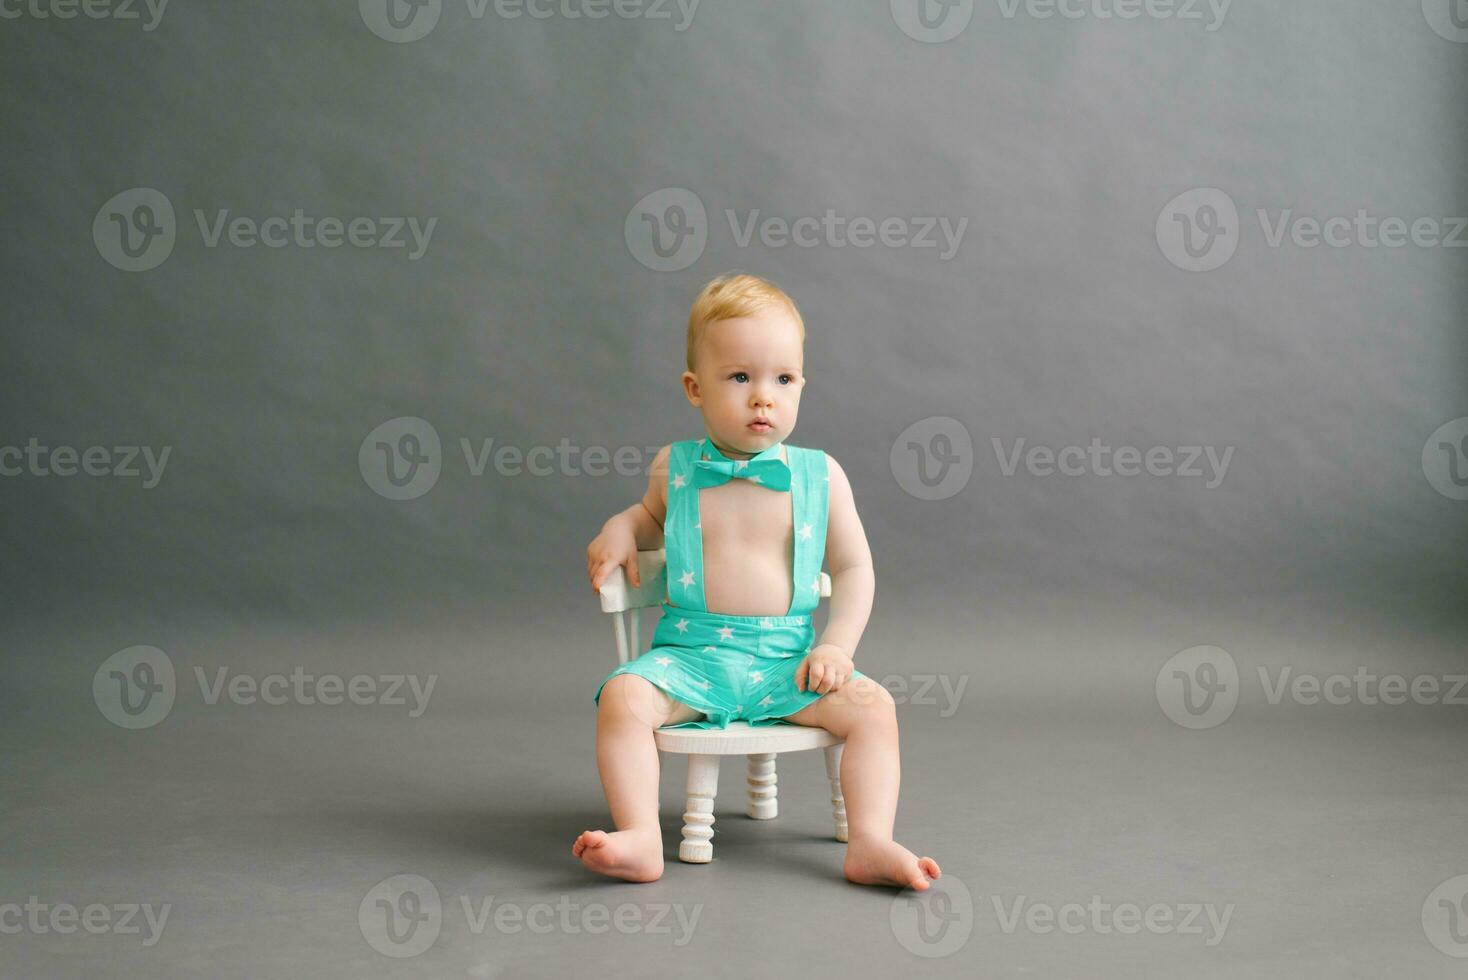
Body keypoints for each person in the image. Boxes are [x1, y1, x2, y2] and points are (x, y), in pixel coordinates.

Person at [575, 272, 941, 889]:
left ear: (802, 384)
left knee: (874, 707)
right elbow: (646, 521)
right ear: (695, 388)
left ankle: (872, 839)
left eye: (783, 379)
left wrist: (836, 646)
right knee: (622, 699)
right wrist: (620, 527)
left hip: (787, 664)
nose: (763, 397)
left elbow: (854, 569)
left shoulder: (820, 476)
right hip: (691, 659)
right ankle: (640, 834)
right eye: (740, 377)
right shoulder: (677, 468)